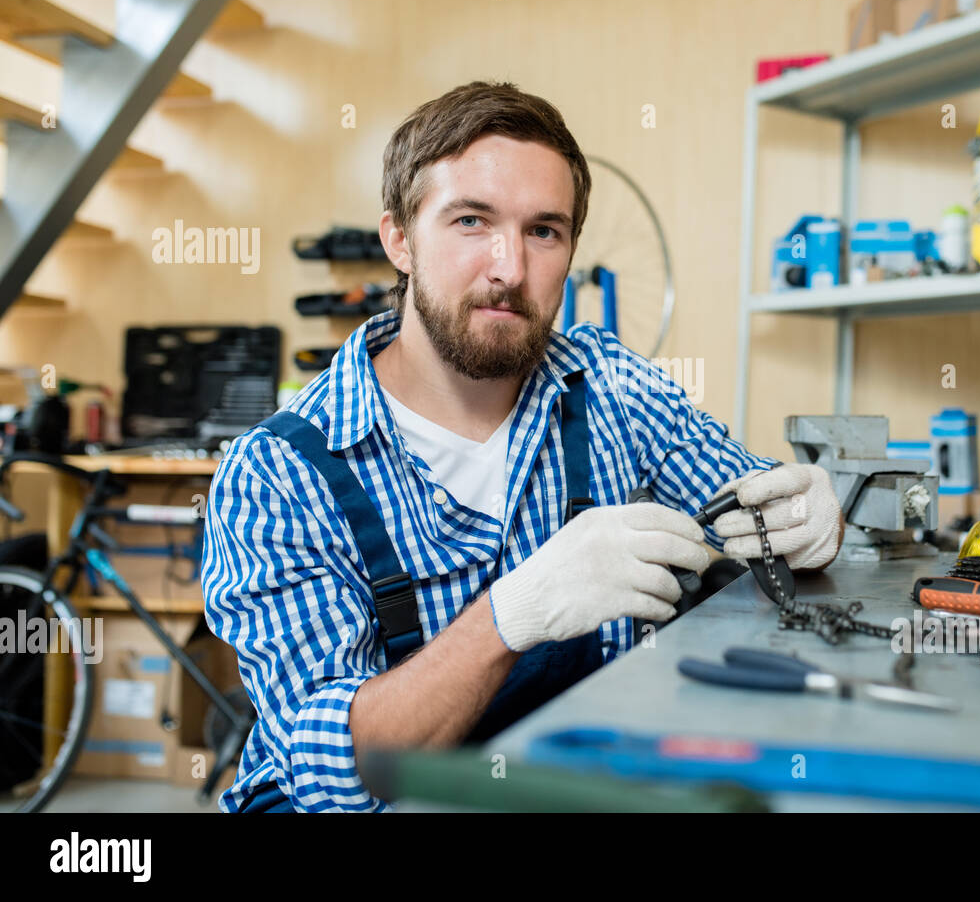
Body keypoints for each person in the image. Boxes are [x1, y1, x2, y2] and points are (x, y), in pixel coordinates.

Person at [201, 80, 844, 812]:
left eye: (545, 230)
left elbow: (752, 501)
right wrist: (511, 616)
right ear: (399, 239)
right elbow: (338, 775)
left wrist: (812, 512)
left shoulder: (606, 385)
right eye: (472, 221)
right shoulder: (279, 473)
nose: (510, 267)